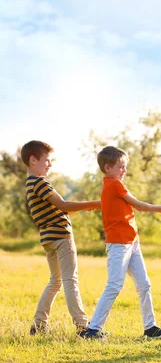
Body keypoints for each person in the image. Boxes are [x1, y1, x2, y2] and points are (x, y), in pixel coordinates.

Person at [82, 146, 161, 339]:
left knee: (144, 285)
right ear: (107, 168)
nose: (124, 170)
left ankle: (150, 328)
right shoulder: (114, 185)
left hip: (132, 242)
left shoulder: (111, 185)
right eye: (120, 167)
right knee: (114, 285)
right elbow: (138, 205)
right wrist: (160, 208)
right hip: (119, 244)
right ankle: (92, 330)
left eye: (125, 166)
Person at [21, 140, 101, 336]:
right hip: (61, 236)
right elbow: (63, 205)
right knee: (70, 280)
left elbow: (58, 209)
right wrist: (94, 203)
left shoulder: (30, 184)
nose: (50, 164)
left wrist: (83, 206)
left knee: (55, 281)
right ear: (33, 160)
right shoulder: (40, 182)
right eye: (47, 160)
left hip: (48, 238)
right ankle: (83, 327)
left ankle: (38, 325)